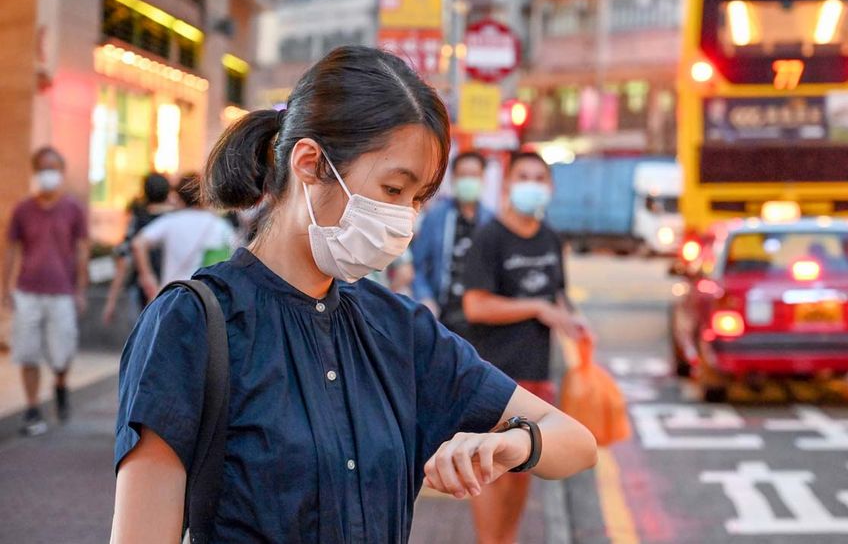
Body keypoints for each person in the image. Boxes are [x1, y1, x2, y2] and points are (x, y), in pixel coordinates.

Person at [110, 46, 596, 544]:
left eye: (417, 198)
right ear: (310, 163)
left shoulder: (399, 329)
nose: (405, 218)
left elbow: (576, 443)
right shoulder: (192, 323)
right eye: (392, 189)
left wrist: (511, 445)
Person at [462, 150, 592, 544]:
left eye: (539, 178)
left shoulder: (551, 238)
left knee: (523, 469)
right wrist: (536, 308)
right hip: (494, 379)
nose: (532, 185)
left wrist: (573, 320)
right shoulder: (489, 238)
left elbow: (558, 295)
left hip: (536, 377)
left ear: (549, 188)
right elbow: (475, 305)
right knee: (488, 475)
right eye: (524, 176)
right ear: (507, 185)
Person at [0, 147, 89, 436]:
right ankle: (32, 407)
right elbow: (10, 250)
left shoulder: (73, 209)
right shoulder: (23, 209)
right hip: (27, 291)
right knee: (27, 351)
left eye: (52, 167)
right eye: (41, 167)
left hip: (62, 292)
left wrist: (80, 290)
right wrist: (5, 288)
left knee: (62, 352)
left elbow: (81, 251)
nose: (46, 173)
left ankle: (60, 384)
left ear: (61, 172)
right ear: (35, 171)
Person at [411, 150, 494, 329]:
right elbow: (417, 265)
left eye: (474, 175)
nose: (468, 180)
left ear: (483, 178)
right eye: (463, 175)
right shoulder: (435, 217)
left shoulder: (492, 222)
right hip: (442, 315)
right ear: (453, 178)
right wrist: (425, 298)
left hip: (481, 319)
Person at [130, 173, 236, 300]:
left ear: (179, 196)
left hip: (172, 296)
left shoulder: (170, 221)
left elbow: (138, 244)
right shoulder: (218, 224)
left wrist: (148, 278)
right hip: (208, 299)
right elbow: (235, 252)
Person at [102, 173, 172, 325]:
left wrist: (111, 300)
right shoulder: (177, 219)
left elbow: (124, 258)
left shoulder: (139, 218)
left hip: (141, 287)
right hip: (173, 286)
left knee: (142, 337)